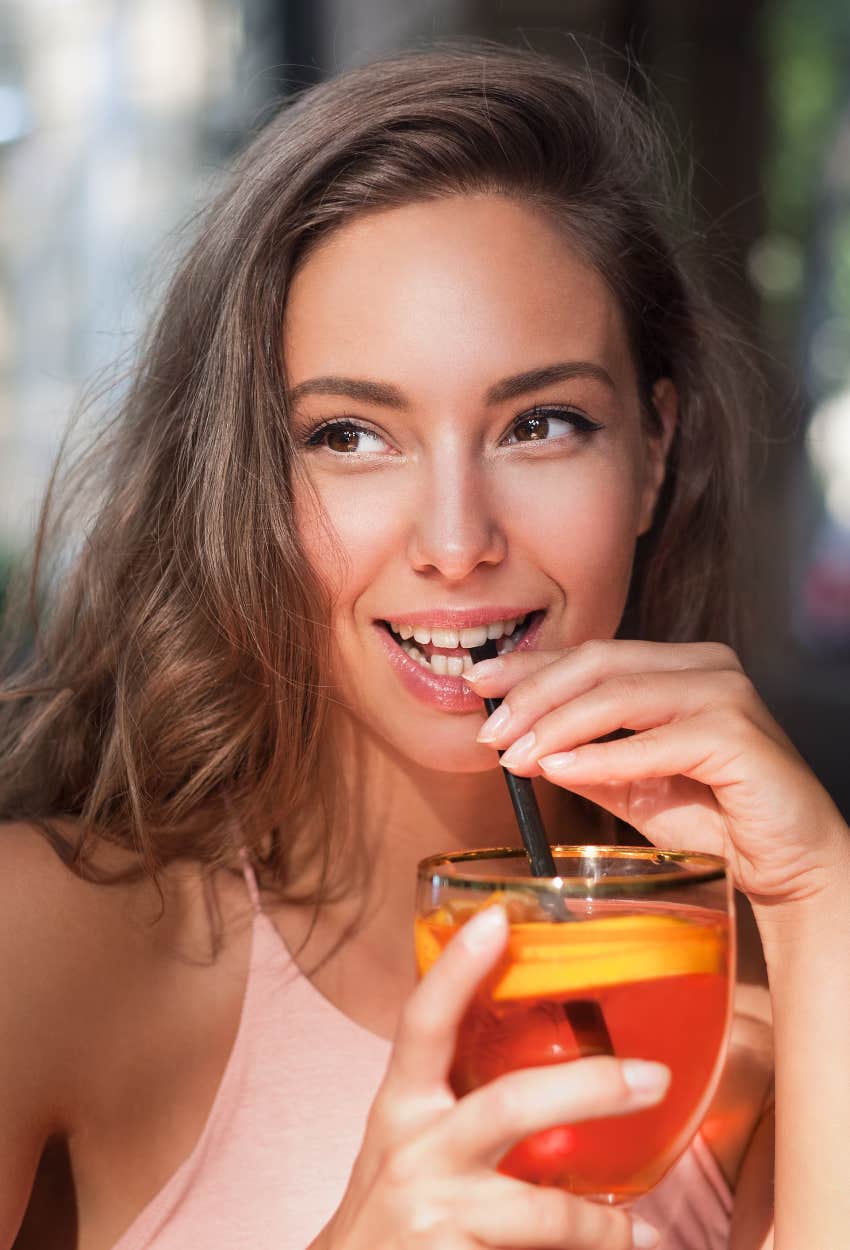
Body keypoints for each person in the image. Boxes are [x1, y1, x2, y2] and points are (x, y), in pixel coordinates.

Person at [0, 42, 847, 1250]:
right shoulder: (46, 943)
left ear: (653, 450)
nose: (455, 543)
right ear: (252, 474)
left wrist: (820, 900)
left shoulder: (758, 1000)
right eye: (350, 434)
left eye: (540, 423)